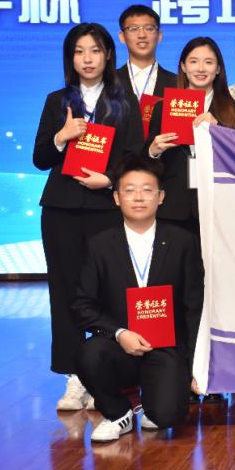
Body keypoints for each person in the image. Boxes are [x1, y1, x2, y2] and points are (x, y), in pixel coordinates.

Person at [33, 23, 142, 411]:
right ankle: (73, 377)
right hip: (61, 210)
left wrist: (109, 179)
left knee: (107, 292)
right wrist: (61, 136)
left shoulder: (124, 101)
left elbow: (135, 155)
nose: (88, 59)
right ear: (70, 58)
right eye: (79, 52)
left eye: (95, 50)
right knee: (65, 292)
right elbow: (40, 158)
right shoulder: (57, 100)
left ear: (108, 54)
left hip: (105, 208)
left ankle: (103, 373)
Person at [71, 154, 204, 442]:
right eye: (129, 190)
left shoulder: (183, 241)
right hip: (119, 345)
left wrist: (198, 365)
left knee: (166, 417)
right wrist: (120, 333)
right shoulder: (99, 245)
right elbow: (82, 305)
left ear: (161, 197)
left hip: (167, 347)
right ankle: (119, 413)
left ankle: (153, 400)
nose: (139, 198)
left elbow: (194, 306)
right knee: (89, 353)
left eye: (147, 190)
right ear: (117, 198)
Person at [147, 37, 235, 237]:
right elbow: (144, 162)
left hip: (219, 206)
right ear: (183, 67)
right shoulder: (163, 107)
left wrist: (219, 130)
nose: (201, 68)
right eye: (193, 61)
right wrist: (153, 151)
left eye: (208, 62)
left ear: (218, 69)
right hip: (173, 205)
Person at [115, 5, 176, 135]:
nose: (142, 35)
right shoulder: (108, 81)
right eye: (133, 29)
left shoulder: (178, 83)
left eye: (149, 28)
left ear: (159, 35)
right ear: (122, 36)